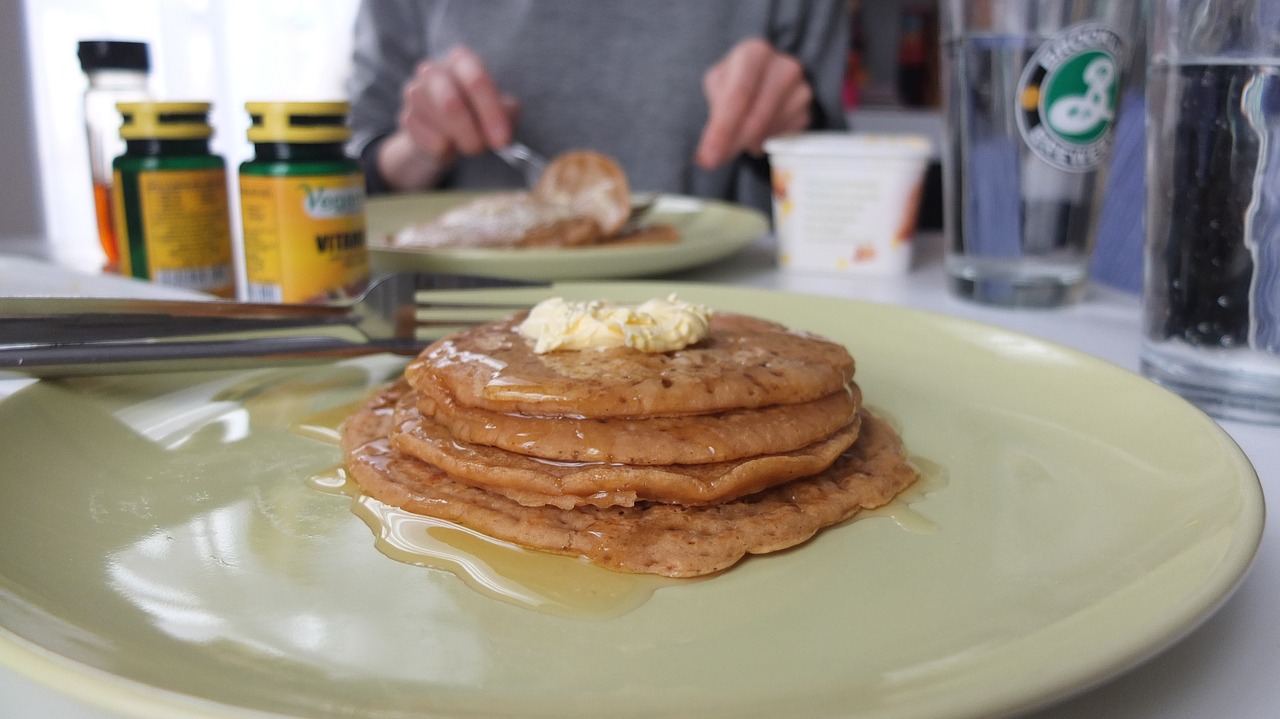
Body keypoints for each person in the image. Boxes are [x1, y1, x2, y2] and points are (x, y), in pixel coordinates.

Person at [345, 0, 850, 214]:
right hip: (453, 312)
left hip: (724, 315)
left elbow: (847, 209)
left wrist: (790, 137)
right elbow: (333, 182)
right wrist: (415, 152)